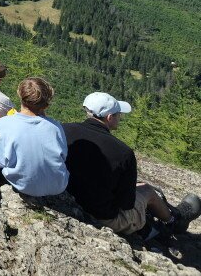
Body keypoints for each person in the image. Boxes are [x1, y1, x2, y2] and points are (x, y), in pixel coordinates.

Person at [64, 92, 201, 237]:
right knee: (147, 190)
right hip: (103, 217)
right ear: (109, 117)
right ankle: (174, 221)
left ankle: (166, 216)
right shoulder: (123, 152)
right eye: (118, 114)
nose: (120, 118)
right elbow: (126, 204)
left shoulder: (64, 130)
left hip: (70, 202)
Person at [0, 77, 68, 203]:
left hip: (25, 185)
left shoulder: (6, 123)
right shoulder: (56, 127)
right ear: (45, 104)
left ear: (20, 95)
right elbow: (63, 155)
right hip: (58, 185)